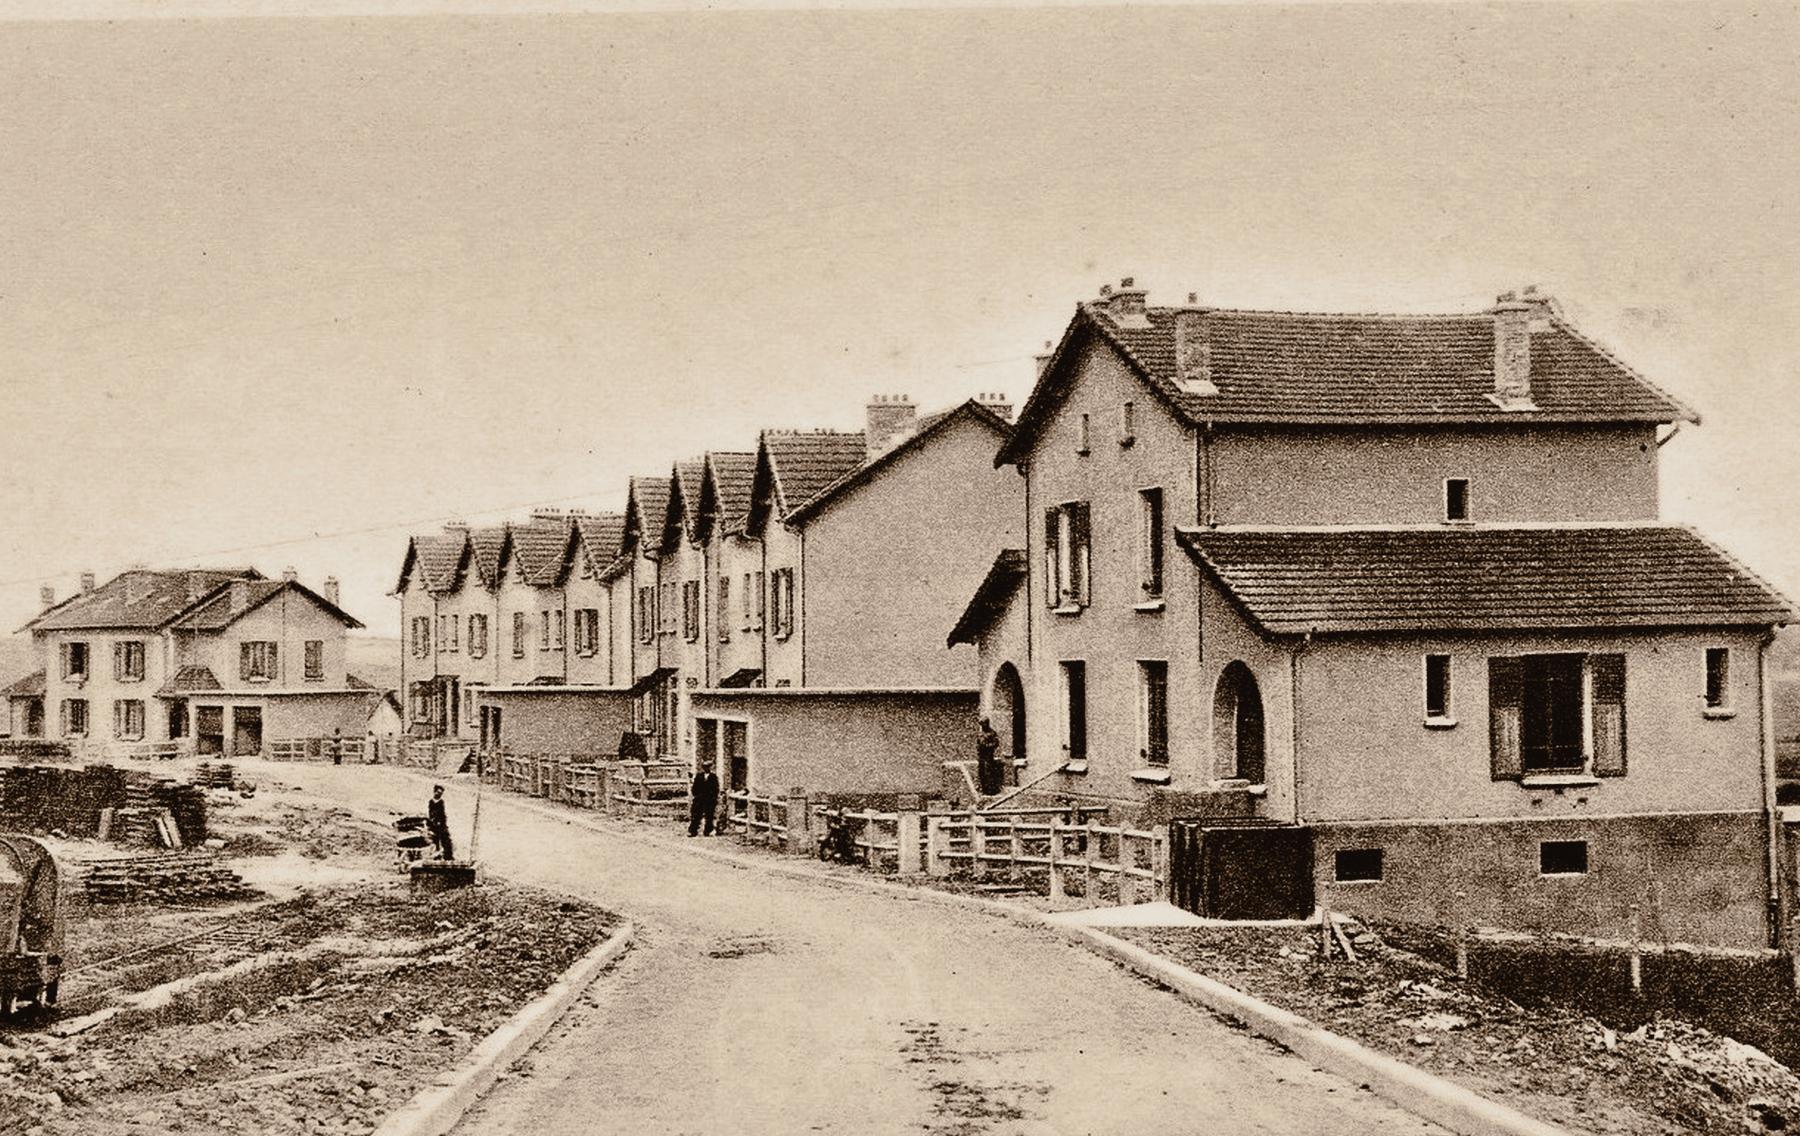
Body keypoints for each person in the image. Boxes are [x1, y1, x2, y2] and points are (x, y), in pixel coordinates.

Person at [688, 764, 720, 837]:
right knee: (696, 815)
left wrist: (713, 797)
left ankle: (707, 831)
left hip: (709, 799)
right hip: (699, 799)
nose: (706, 768)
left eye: (708, 767)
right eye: (705, 767)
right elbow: (694, 788)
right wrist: (697, 795)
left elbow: (716, 789)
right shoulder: (699, 776)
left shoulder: (713, 777)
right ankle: (693, 831)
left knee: (709, 816)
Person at [976, 717, 1004, 796]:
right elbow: (978, 743)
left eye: (984, 724)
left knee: (989, 772)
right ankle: (983, 789)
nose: (982, 726)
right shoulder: (980, 733)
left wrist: (987, 746)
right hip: (981, 756)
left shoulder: (992, 733)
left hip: (988, 756)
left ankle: (990, 790)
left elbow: (995, 743)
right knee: (981, 773)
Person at [427, 784, 454, 860]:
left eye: (441, 793)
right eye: (438, 792)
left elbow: (442, 813)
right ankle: (437, 856)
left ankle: (448, 856)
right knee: (435, 841)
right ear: (434, 792)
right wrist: (433, 821)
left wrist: (442, 822)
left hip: (441, 824)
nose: (439, 794)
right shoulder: (431, 802)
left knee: (446, 839)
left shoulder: (441, 802)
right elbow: (430, 813)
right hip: (434, 824)